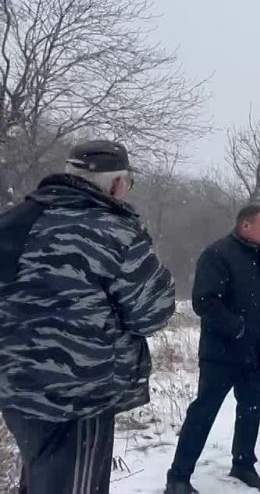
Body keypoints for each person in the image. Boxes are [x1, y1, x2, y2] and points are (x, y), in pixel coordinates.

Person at [0, 140, 176, 494]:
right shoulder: (114, 231)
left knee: (41, 478)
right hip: (80, 391)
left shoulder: (14, 219)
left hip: (14, 384)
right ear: (114, 184)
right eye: (127, 182)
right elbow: (153, 313)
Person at [165, 205, 260, 494]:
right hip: (222, 354)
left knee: (251, 410)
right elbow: (204, 301)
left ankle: (243, 464)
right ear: (245, 226)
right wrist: (238, 327)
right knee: (203, 412)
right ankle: (178, 477)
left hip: (255, 353)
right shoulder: (218, 254)